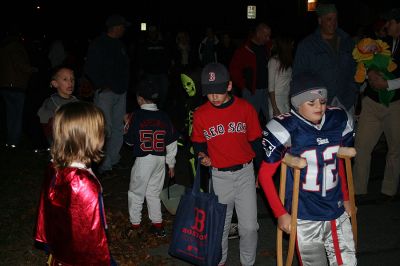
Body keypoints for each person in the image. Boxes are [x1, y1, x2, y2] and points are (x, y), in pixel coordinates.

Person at [258, 73, 357, 265]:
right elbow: (264, 175)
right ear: (297, 103)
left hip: (334, 209)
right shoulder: (286, 127)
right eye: (311, 103)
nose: (319, 107)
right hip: (304, 213)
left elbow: (340, 163)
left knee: (347, 262)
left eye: (322, 101)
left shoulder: (337, 119)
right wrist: (280, 213)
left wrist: (345, 197)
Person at [191, 63, 262, 266]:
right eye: (209, 92)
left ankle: (248, 262)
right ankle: (219, 261)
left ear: (229, 86)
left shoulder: (245, 108)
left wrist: (261, 170)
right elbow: (198, 142)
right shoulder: (201, 114)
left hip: (245, 173)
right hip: (220, 176)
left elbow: (256, 142)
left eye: (218, 91)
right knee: (219, 225)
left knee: (249, 227)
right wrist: (202, 154)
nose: (213, 96)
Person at [34, 101, 114, 265]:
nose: (104, 135)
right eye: (100, 132)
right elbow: (88, 234)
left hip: (63, 251)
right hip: (79, 257)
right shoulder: (81, 182)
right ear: (87, 138)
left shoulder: (56, 167)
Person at [353, 8, 400, 200]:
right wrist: (369, 74)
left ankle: (388, 191)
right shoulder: (384, 42)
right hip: (372, 102)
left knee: (395, 150)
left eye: (390, 22)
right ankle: (358, 189)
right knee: (361, 146)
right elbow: (366, 60)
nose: (386, 26)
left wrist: (388, 84)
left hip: (396, 104)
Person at [124, 78, 179, 237]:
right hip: (160, 159)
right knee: (153, 192)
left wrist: (126, 123)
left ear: (140, 98)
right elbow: (172, 141)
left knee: (136, 193)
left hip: (144, 160)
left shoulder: (136, 116)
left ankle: (135, 225)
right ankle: (158, 225)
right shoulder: (164, 116)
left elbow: (128, 142)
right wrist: (171, 163)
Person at [85, 14, 131, 177]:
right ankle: (102, 165)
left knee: (119, 127)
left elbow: (124, 67)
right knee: (105, 128)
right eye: (122, 26)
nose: (124, 29)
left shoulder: (120, 45)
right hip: (106, 93)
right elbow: (90, 67)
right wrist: (101, 85)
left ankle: (112, 161)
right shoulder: (99, 44)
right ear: (116, 27)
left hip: (120, 91)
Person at [292, 3, 358, 114]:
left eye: (335, 19)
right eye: (329, 19)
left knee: (346, 131)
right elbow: (298, 77)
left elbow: (355, 69)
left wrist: (353, 91)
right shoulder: (307, 45)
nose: (333, 23)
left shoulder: (347, 42)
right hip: (319, 104)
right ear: (320, 20)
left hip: (346, 101)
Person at [0, 24, 35, 149]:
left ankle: (11, 140)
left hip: (5, 85)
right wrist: (33, 70)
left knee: (10, 115)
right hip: (16, 85)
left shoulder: (4, 47)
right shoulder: (15, 47)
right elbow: (20, 65)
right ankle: (14, 141)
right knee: (17, 115)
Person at [229, 22, 272, 123]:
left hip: (267, 91)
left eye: (269, 36)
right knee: (250, 120)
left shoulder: (268, 47)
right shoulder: (243, 50)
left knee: (271, 118)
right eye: (266, 36)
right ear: (258, 34)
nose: (268, 38)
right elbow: (233, 70)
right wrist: (244, 86)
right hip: (252, 92)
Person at [37, 66, 78, 144]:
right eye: (65, 79)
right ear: (55, 84)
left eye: (72, 79)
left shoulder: (77, 102)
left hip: (75, 139)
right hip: (58, 140)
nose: (70, 83)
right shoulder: (51, 102)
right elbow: (43, 118)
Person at [267, 35, 293, 119]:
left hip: (285, 99)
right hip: (276, 100)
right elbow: (271, 88)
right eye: (291, 45)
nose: (293, 47)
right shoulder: (273, 61)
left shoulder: (287, 63)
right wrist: (275, 108)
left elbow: (289, 85)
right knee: (277, 128)